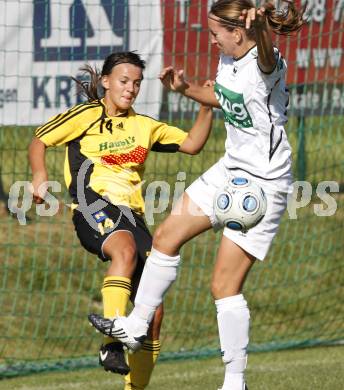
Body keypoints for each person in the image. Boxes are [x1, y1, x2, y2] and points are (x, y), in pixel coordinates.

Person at [88, 2, 305, 389]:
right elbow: (221, 97)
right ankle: (136, 326)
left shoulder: (266, 60)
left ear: (239, 32)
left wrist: (263, 36)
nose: (212, 39)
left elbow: (267, 59)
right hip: (230, 168)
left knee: (223, 287)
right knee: (166, 238)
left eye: (216, 32)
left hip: (264, 183)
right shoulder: (228, 58)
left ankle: (234, 381)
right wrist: (185, 89)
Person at [29, 51, 213, 390]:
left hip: (133, 217)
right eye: (124, 81)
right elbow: (40, 139)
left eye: (137, 83)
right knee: (124, 251)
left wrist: (206, 104)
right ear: (106, 82)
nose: (130, 89)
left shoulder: (144, 126)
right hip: (91, 204)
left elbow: (192, 144)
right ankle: (113, 341)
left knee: (153, 313)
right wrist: (40, 174)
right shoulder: (87, 114)